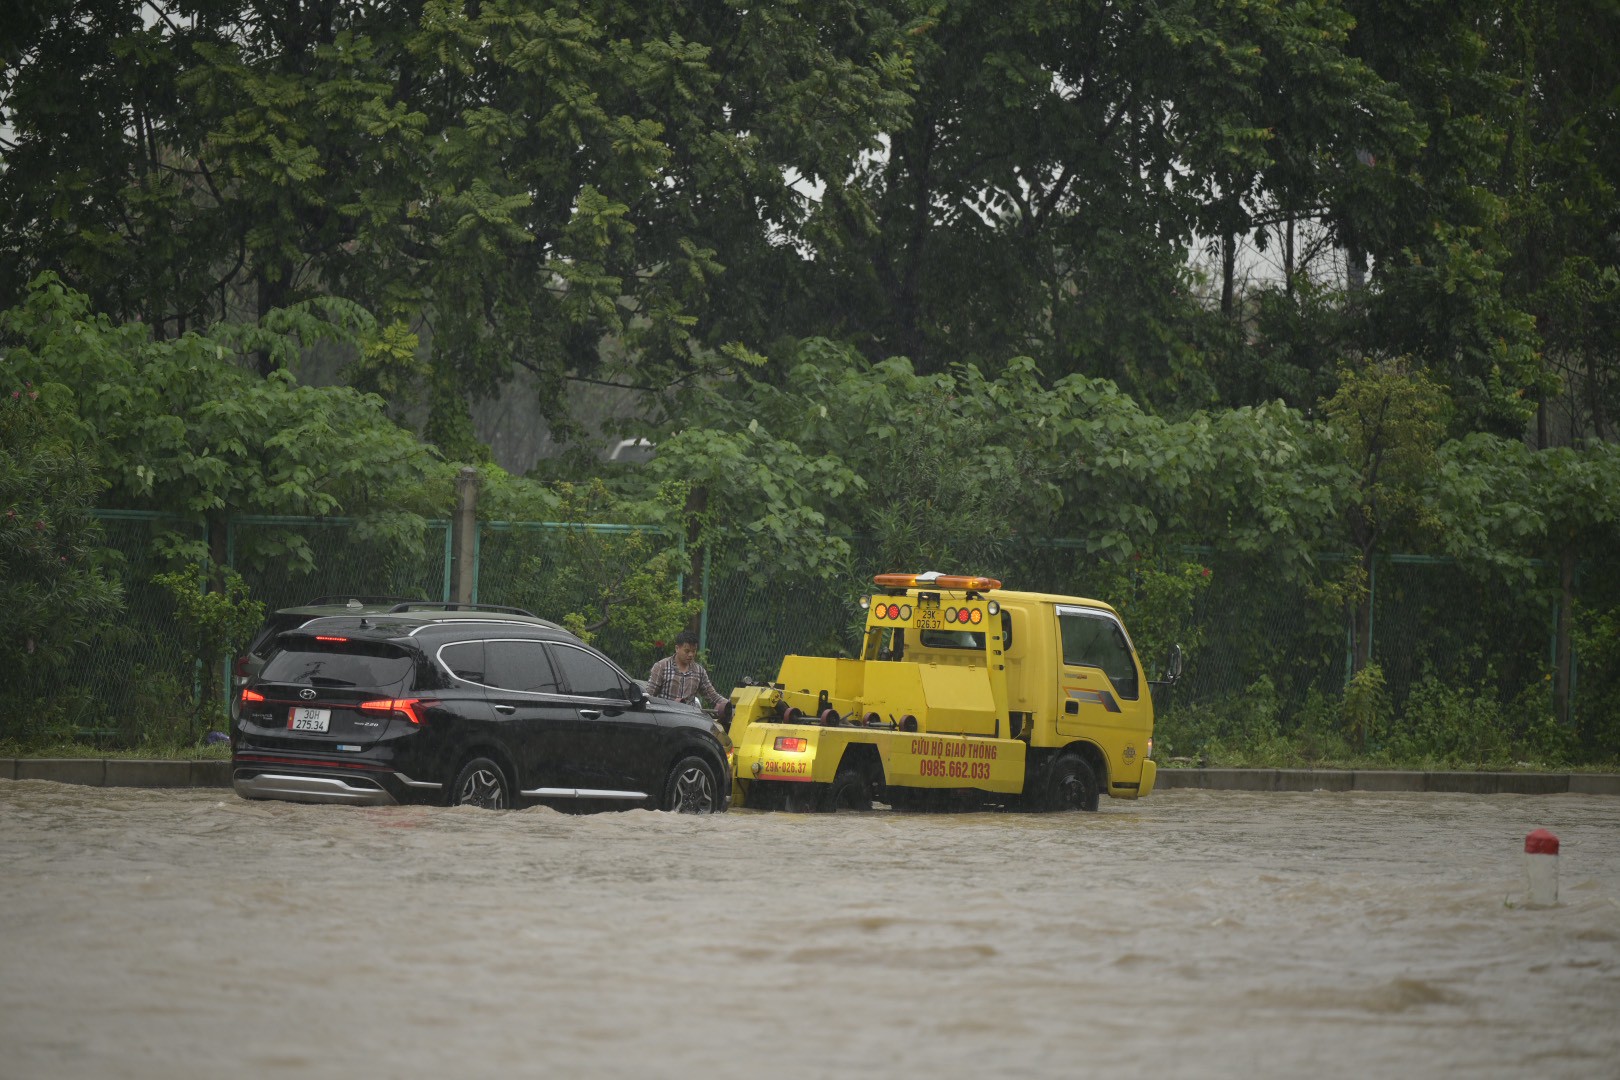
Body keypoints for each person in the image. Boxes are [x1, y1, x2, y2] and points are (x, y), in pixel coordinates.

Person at [647, 630, 726, 709]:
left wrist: (729, 704)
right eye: (687, 651)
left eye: (694, 651)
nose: (691, 655)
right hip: (665, 715)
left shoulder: (699, 671)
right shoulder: (661, 667)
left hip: (689, 717)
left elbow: (712, 696)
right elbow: (649, 695)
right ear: (677, 648)